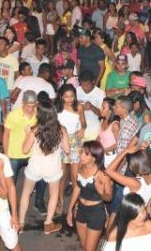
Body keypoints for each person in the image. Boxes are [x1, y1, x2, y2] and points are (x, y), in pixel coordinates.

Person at [19, 101, 69, 234]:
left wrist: (27, 133)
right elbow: (67, 150)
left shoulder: (35, 130)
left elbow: (24, 150)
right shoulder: (61, 129)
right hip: (53, 168)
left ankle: (21, 224)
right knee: (53, 195)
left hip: (35, 167)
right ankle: (48, 224)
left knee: (26, 193)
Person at [67, 141, 113, 251]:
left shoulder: (102, 175)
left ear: (94, 158)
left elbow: (109, 197)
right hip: (81, 210)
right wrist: (70, 209)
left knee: (89, 249)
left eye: (86, 154)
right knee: (84, 245)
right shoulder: (81, 167)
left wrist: (100, 192)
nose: (81, 155)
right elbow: (77, 188)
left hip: (96, 212)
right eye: (82, 152)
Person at [57, 83, 87, 213]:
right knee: (62, 176)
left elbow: (84, 122)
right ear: (61, 97)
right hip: (62, 143)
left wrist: (83, 129)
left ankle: (75, 204)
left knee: (75, 177)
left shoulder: (79, 107)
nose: (70, 99)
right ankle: (60, 201)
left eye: (72, 96)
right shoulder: (57, 109)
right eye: (66, 97)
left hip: (76, 143)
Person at [3, 90, 38, 182]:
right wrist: (6, 153)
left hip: (32, 153)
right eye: (28, 106)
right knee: (11, 181)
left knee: (32, 180)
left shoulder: (38, 114)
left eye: (33, 106)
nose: (30, 109)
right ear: (23, 103)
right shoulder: (13, 115)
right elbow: (6, 135)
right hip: (14, 154)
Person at [77, 70, 106, 141]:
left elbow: (102, 115)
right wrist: (77, 105)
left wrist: (91, 107)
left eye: (88, 85)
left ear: (93, 82)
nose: (85, 87)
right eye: (83, 85)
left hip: (93, 129)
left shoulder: (100, 93)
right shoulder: (76, 90)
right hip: (78, 128)